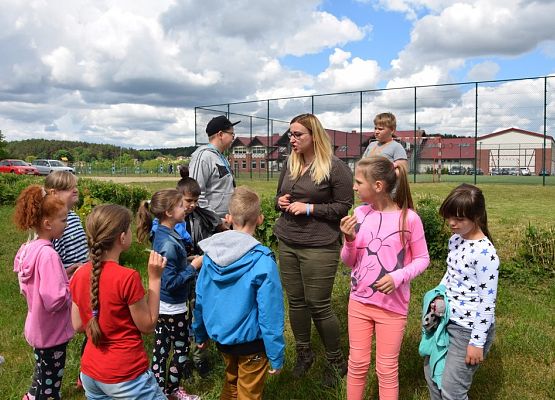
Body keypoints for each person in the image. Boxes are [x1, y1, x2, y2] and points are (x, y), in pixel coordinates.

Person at [339, 156, 430, 399]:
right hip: (358, 303)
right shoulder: (359, 214)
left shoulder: (408, 219)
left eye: (358, 182)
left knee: (386, 369)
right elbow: (350, 260)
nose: (354, 187)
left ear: (378, 186)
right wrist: (348, 240)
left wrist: (398, 277)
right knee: (356, 365)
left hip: (392, 308)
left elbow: (422, 259)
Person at [274, 113, 353, 386]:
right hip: (287, 241)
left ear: (314, 137)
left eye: (298, 135)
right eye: (290, 135)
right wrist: (281, 201)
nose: (291, 140)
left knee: (318, 305)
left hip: (319, 245)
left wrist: (310, 209)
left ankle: (336, 361)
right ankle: (304, 354)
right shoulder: (291, 163)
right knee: (295, 302)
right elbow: (277, 197)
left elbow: (343, 207)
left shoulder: (335, 167)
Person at [193, 186, 285, 400]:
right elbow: (270, 313)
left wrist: (200, 333)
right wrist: (276, 354)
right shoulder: (262, 261)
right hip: (251, 344)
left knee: (232, 383)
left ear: (228, 218)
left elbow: (200, 300)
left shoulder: (209, 256)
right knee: (248, 393)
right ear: (260, 219)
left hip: (223, 340)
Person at [69, 204, 167, 399]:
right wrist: (155, 279)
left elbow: (78, 324)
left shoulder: (79, 274)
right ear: (122, 238)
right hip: (126, 375)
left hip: (90, 373)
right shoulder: (126, 277)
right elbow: (147, 325)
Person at [423, 183, 499, 400]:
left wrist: (476, 342)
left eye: (459, 219)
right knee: (432, 373)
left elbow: (487, 302)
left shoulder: (486, 254)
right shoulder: (455, 240)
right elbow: (451, 275)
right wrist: (438, 295)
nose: (452, 223)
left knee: (452, 391)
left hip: (468, 331)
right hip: (446, 321)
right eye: (449, 217)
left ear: (476, 217)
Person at [137, 190, 202, 400]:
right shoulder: (168, 244)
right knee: (181, 350)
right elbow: (172, 282)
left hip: (162, 305)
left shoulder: (165, 234)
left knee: (161, 349)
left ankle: (157, 392)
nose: (185, 208)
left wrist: (187, 260)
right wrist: (193, 267)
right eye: (181, 205)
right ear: (168, 212)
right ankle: (172, 390)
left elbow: (170, 269)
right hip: (174, 307)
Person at [13, 185, 74, 400]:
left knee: (41, 369)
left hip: (36, 327)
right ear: (48, 223)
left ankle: (31, 395)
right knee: (50, 386)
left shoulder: (29, 248)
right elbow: (55, 300)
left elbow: (32, 285)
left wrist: (63, 274)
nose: (66, 225)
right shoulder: (48, 255)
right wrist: (71, 286)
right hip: (52, 333)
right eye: (64, 220)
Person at [189, 115, 239, 219]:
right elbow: (195, 195)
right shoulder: (203, 156)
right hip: (209, 225)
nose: (233, 138)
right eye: (231, 134)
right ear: (220, 134)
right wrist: (216, 222)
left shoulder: (222, 157)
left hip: (225, 221)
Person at [45, 170, 89, 278]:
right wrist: (63, 275)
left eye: (75, 186)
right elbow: (48, 258)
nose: (75, 190)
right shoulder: (51, 223)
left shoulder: (74, 216)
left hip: (85, 274)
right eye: (68, 188)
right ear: (53, 193)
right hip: (67, 280)